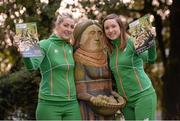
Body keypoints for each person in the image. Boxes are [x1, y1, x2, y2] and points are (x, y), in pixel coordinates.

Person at [19, 12, 81, 120]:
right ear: (57, 26)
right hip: (49, 105)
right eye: (65, 25)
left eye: (72, 27)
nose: (69, 29)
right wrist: (25, 54)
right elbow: (32, 67)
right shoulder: (45, 44)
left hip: (72, 104)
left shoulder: (71, 47)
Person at [102, 13, 157, 120]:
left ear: (120, 27)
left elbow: (150, 59)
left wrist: (151, 41)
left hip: (143, 96)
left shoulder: (133, 41)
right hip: (126, 102)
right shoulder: (109, 50)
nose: (110, 30)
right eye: (106, 28)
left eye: (113, 26)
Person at [73, 20, 126, 120]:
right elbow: (79, 91)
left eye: (100, 33)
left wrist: (115, 96)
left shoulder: (107, 55)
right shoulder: (78, 57)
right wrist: (92, 98)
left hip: (108, 105)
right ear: (80, 38)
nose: (97, 38)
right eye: (92, 33)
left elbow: (109, 85)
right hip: (89, 107)